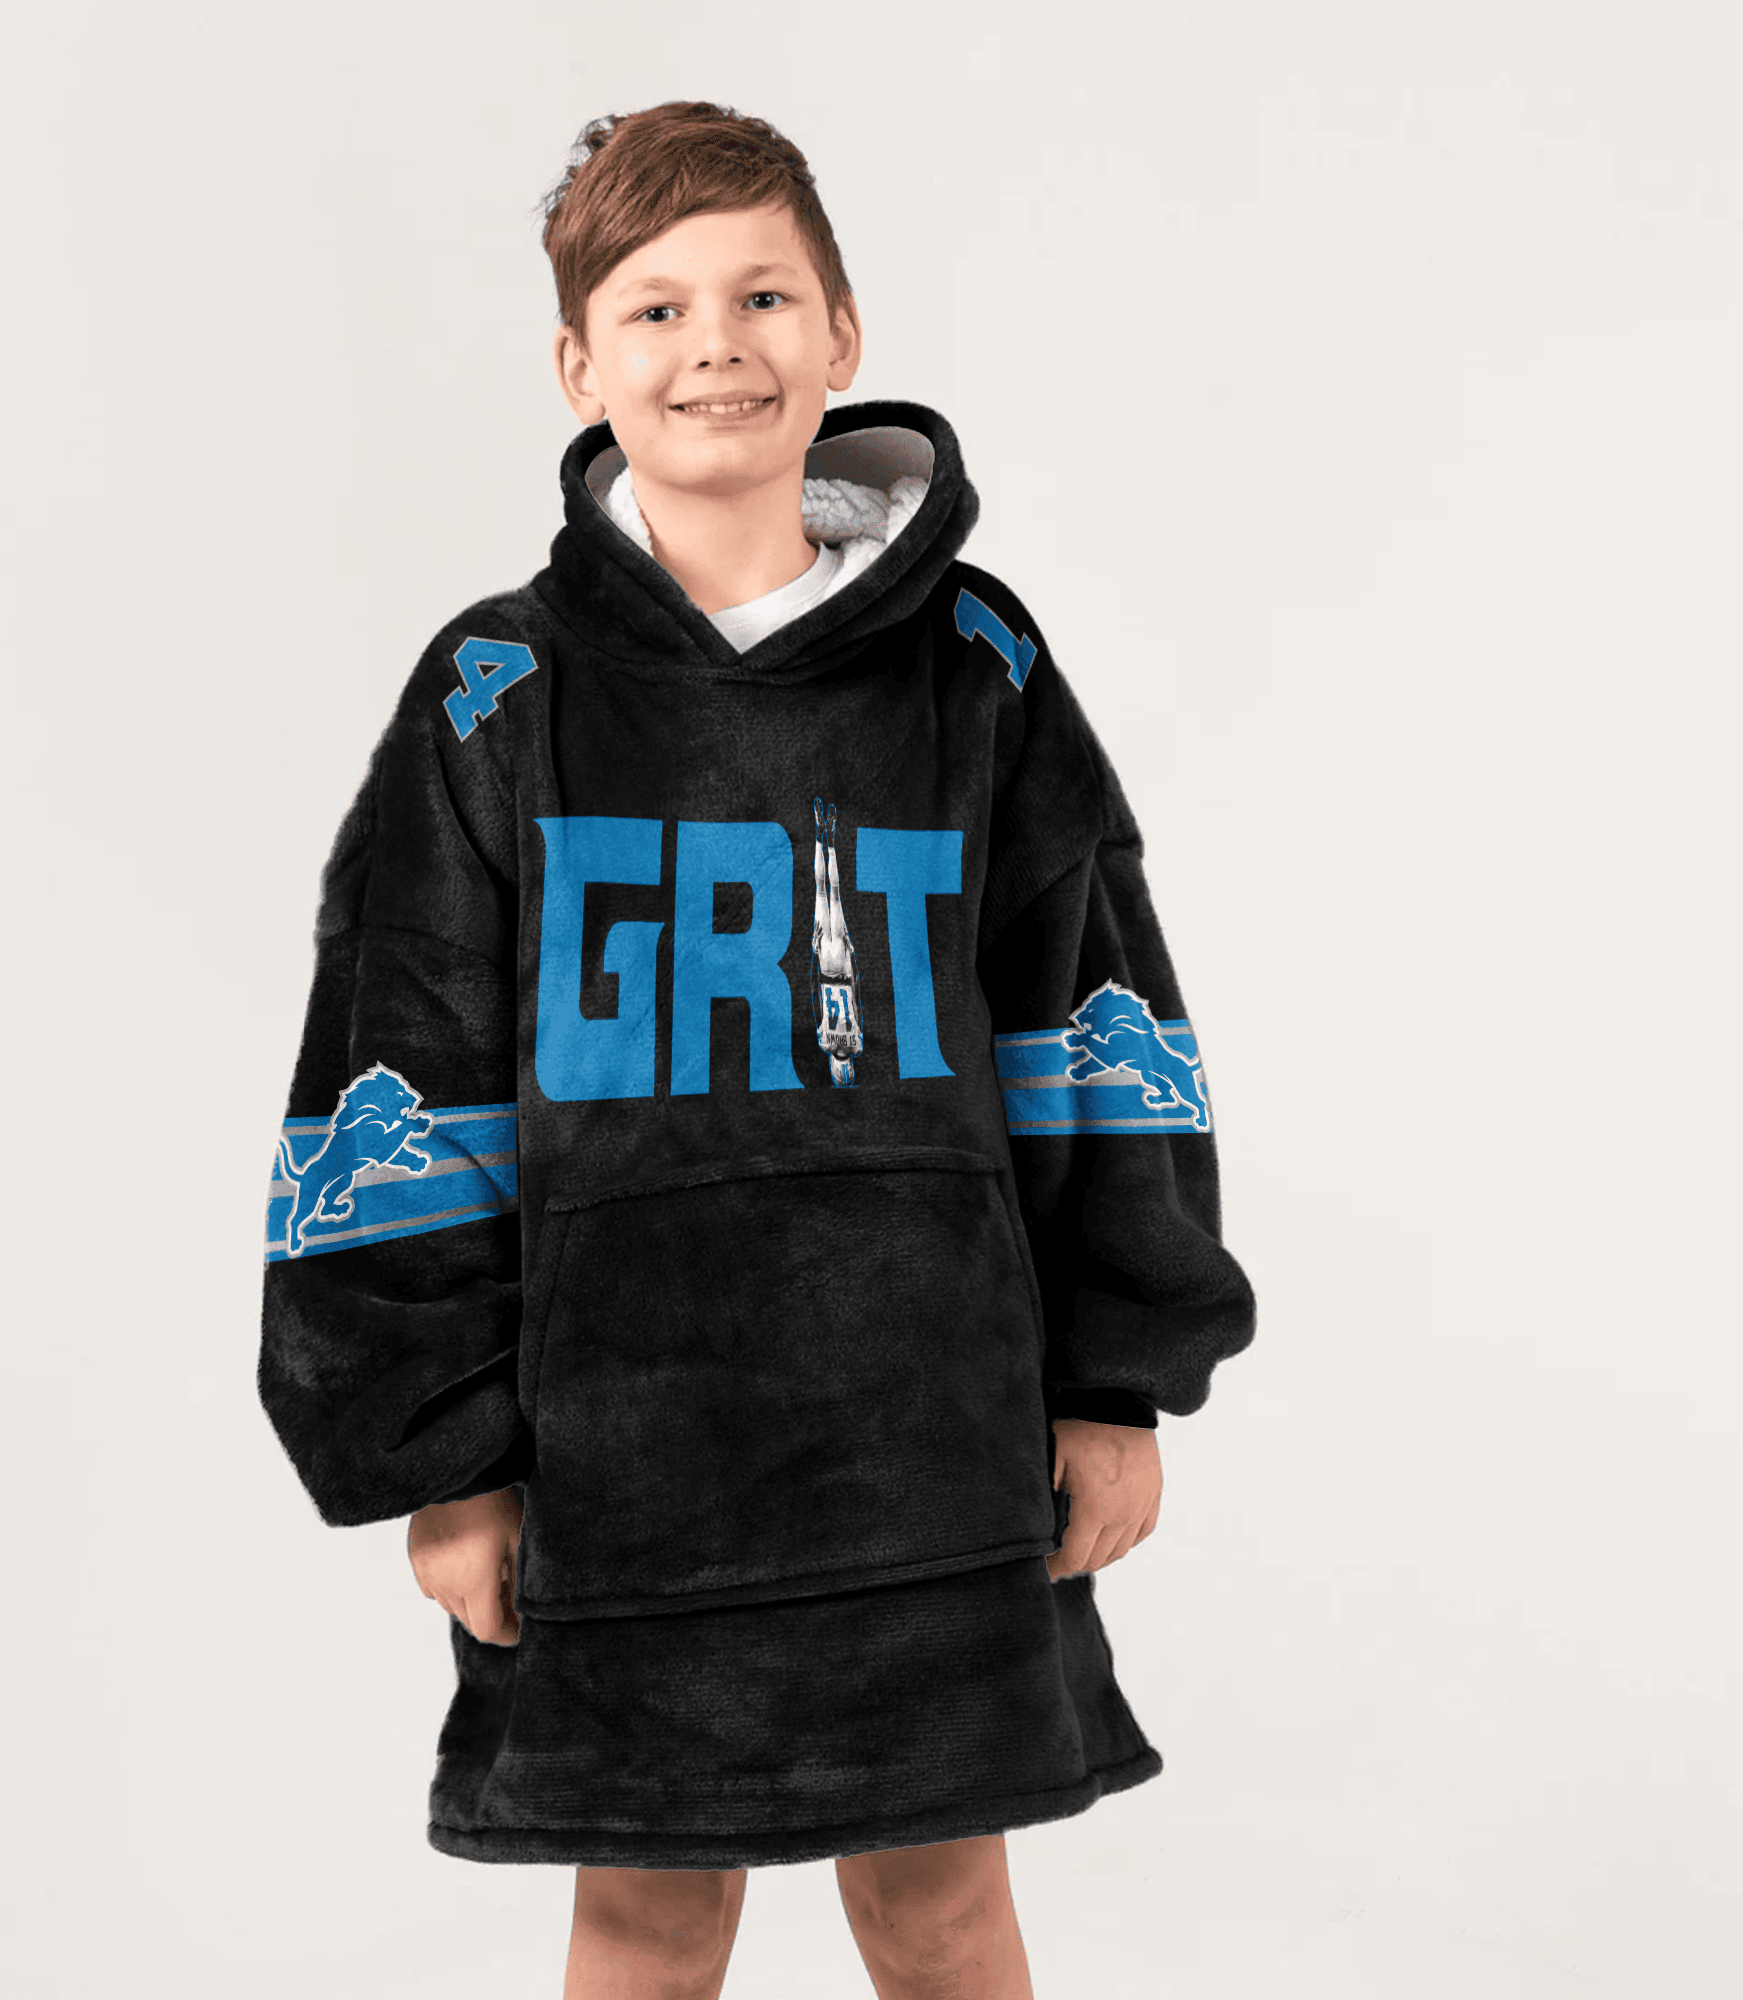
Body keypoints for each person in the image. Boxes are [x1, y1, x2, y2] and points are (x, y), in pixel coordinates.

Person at [258, 99, 1256, 1999]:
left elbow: (1090, 1012)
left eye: (763, 295)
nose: (713, 344)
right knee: (646, 1917)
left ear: (843, 332)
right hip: (618, 1453)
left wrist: (1119, 1377)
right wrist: (444, 1456)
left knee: (942, 1906)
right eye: (655, 309)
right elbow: (401, 1063)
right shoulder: (498, 694)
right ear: (580, 366)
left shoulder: (977, 667)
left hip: (934, 1437)